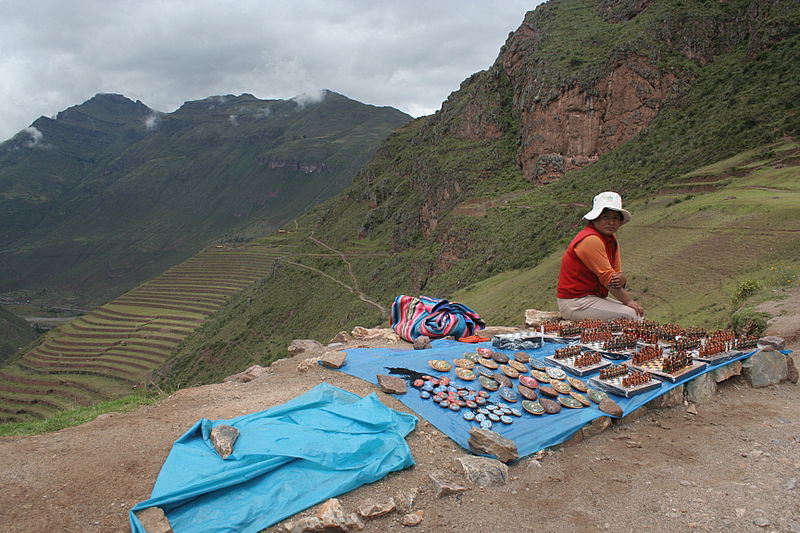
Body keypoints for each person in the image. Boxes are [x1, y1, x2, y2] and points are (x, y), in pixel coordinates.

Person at [556, 191, 645, 321]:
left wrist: (622, 279)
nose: (611, 222)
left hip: (590, 298)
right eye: (606, 217)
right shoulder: (591, 240)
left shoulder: (609, 240)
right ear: (595, 218)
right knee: (633, 315)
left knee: (633, 313)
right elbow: (608, 279)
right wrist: (629, 301)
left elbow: (616, 277)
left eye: (615, 218)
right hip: (576, 302)